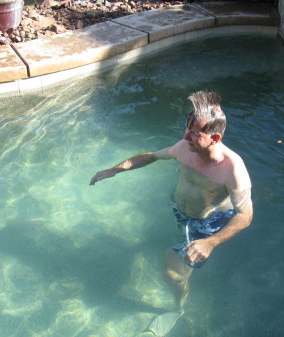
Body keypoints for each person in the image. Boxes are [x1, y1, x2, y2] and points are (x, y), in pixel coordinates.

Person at [89, 90, 253, 336]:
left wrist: (210, 242)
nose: (185, 136)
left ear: (214, 137)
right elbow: (152, 156)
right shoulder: (185, 147)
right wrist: (116, 169)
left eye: (194, 134)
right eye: (186, 129)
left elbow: (245, 215)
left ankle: (177, 309)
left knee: (172, 271)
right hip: (180, 210)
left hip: (205, 224)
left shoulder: (232, 169)